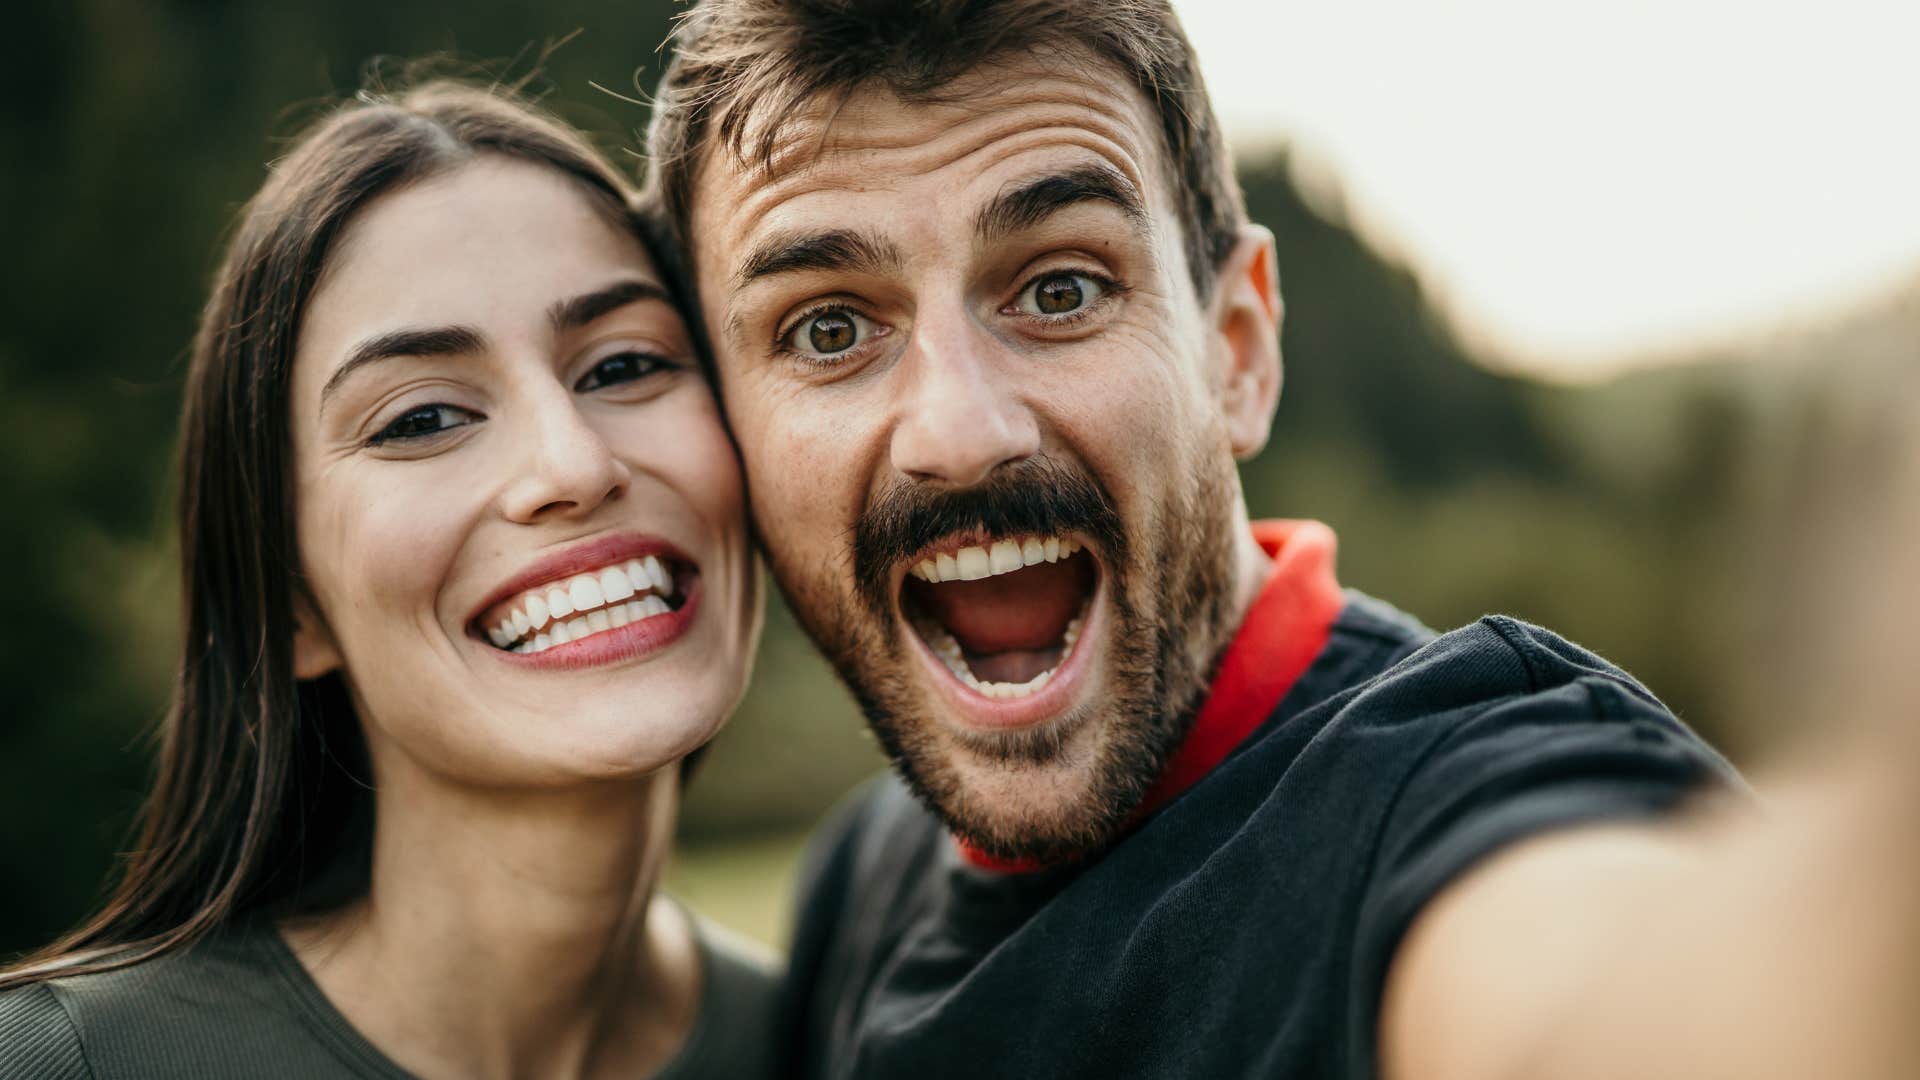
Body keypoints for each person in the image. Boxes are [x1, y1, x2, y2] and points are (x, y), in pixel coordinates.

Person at [636, 2, 1920, 1077]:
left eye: (1063, 289)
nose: (962, 431)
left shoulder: (1445, 799)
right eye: (825, 329)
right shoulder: (863, 874)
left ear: (1236, 353)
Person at [0, 80, 775, 1079]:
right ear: (291, 606)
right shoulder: (67, 1064)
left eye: (624, 365)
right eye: (421, 419)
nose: (574, 466)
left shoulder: (830, 1038)